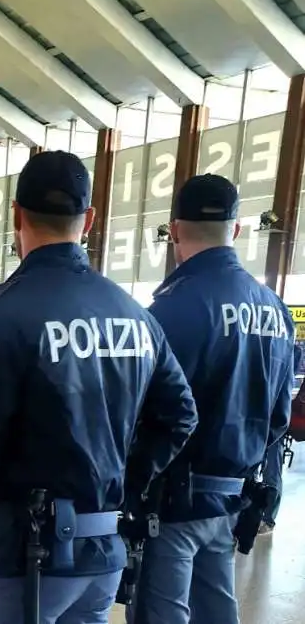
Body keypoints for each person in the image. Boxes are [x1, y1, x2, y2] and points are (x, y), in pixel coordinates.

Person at [0, 151, 198, 624]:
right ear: (90, 219)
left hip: (22, 554)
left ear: (16, 215)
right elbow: (180, 414)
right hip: (101, 555)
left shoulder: (1, 315)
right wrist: (123, 485)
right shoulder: (135, 315)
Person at [129, 174, 295, 624]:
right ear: (236, 229)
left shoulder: (170, 308)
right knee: (218, 608)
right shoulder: (274, 309)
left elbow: (143, 411)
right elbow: (280, 416)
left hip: (174, 497)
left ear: (175, 229)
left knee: (160, 613)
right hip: (234, 495)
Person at [260, 345, 303, 534]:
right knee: (270, 471)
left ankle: (267, 518)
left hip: (271, 422)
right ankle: (260, 517)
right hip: (270, 421)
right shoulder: (283, 350)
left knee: (271, 472)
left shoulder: (286, 350)